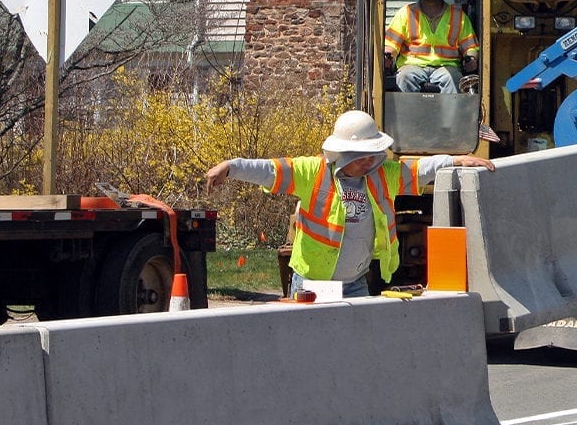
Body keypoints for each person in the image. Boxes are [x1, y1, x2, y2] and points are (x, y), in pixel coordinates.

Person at [204, 110, 495, 298]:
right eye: (362, 156)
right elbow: (268, 170)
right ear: (344, 153)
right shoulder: (312, 172)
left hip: (356, 283)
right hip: (311, 285)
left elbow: (420, 169)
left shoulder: (383, 175)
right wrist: (229, 166)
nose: (369, 161)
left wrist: (456, 160)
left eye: (373, 154)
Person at [384, 0, 479, 93]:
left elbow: (471, 47)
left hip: (447, 67)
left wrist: (472, 58)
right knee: (404, 77)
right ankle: (409, 113)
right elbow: (390, 45)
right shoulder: (406, 13)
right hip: (412, 66)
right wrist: (388, 56)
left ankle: (451, 113)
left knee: (453, 78)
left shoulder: (458, 16)